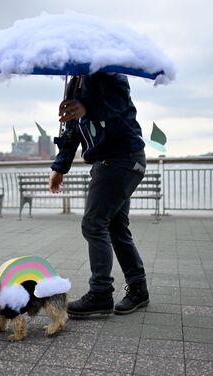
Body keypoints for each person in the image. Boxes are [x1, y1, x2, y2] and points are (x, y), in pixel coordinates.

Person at [49, 72, 149, 316]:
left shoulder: (111, 74)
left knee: (94, 224)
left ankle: (101, 293)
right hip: (106, 162)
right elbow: (71, 131)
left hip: (121, 158)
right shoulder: (75, 83)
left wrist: (85, 107)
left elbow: (117, 105)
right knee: (115, 227)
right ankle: (138, 289)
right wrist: (59, 168)